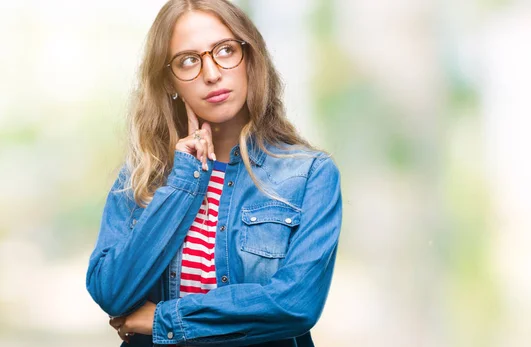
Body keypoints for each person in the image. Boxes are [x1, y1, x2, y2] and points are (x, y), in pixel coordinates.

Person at [85, 0, 343, 346]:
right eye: (188, 60)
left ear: (250, 59)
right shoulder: (144, 174)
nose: (211, 73)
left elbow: (295, 305)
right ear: (170, 81)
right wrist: (184, 181)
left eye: (225, 50)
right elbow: (111, 292)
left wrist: (163, 319)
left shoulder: (309, 175)